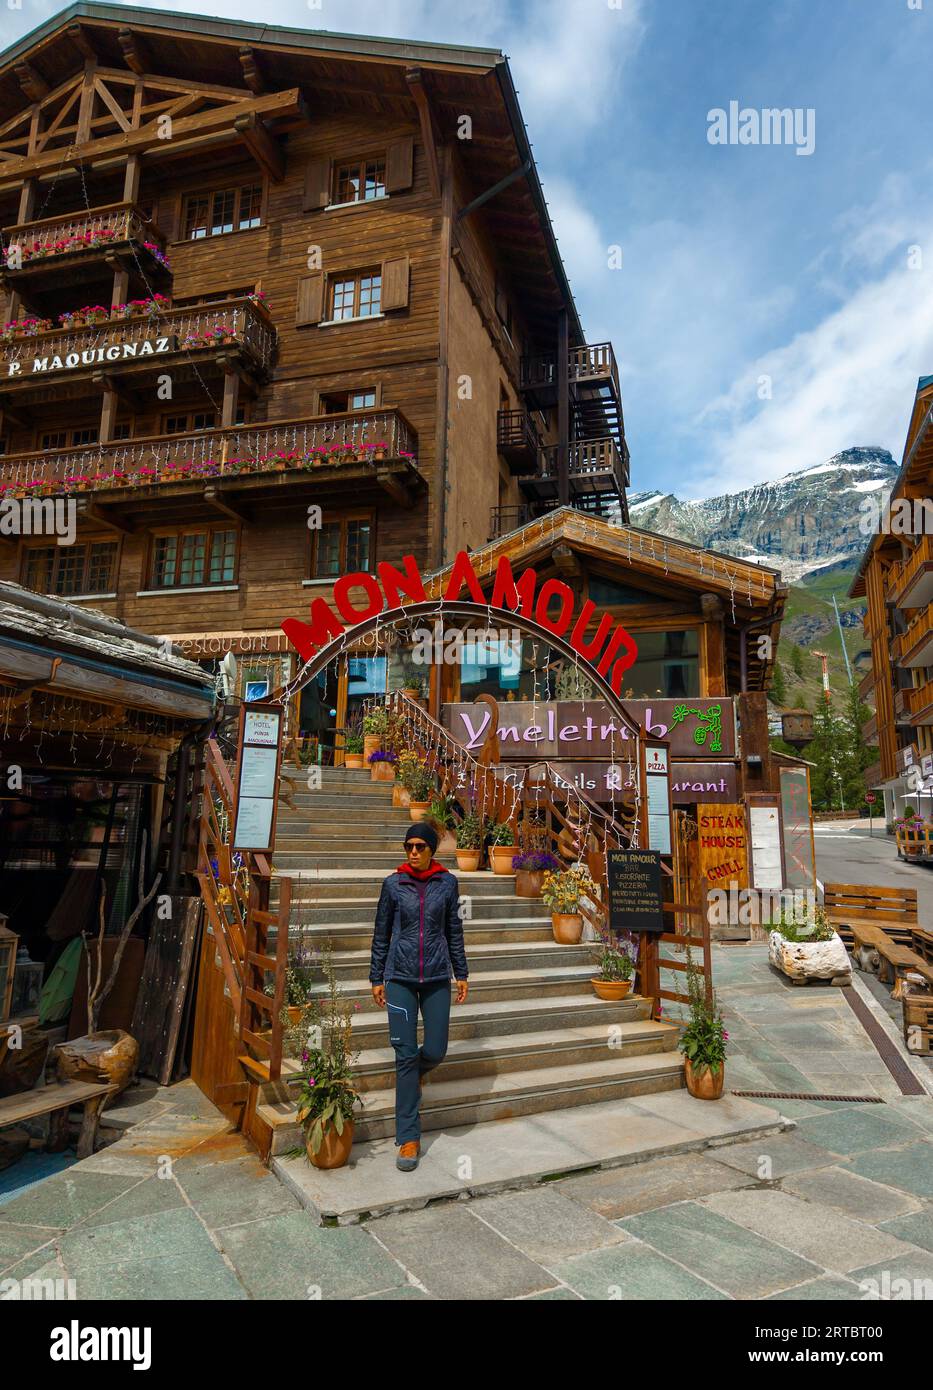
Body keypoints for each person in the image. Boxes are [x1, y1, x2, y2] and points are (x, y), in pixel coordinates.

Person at [369, 821, 469, 1171]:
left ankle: (414, 1076)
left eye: (419, 846)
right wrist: (376, 977)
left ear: (431, 850)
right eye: (408, 846)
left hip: (437, 976)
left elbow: (453, 930)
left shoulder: (448, 884)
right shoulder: (393, 885)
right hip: (399, 978)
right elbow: (381, 932)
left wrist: (462, 972)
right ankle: (409, 1139)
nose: (413, 851)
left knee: (436, 1049)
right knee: (405, 1052)